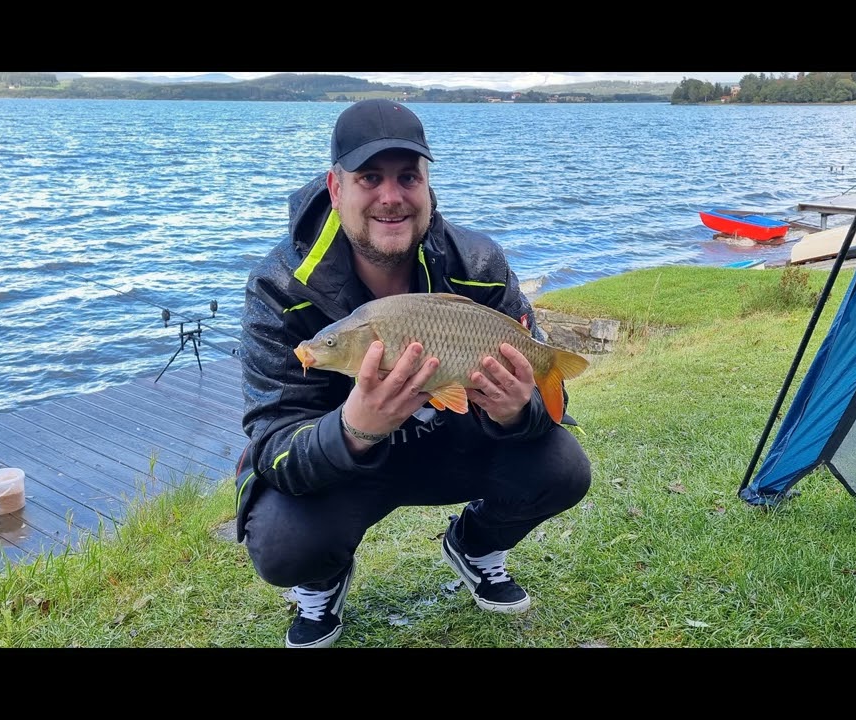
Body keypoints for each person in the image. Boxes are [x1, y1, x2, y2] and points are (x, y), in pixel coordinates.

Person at [234, 99, 592, 648]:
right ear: (335, 189)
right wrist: (354, 427)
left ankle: (474, 543)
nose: (391, 197)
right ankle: (323, 578)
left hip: (450, 446)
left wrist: (519, 410)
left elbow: (551, 398)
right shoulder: (280, 288)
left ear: (428, 185)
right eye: (369, 178)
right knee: (284, 542)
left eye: (408, 177)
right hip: (347, 472)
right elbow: (272, 445)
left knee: (562, 466)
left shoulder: (480, 266)